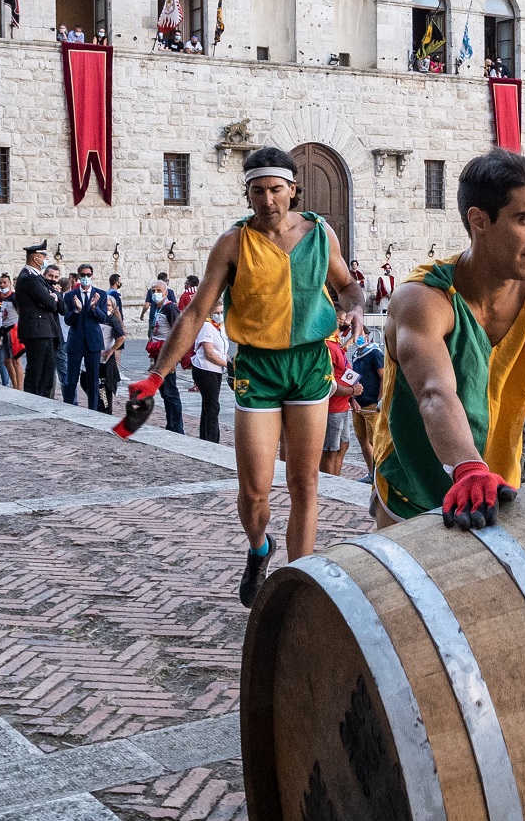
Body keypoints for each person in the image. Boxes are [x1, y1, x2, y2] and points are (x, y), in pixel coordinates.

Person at [116, 146, 364, 607]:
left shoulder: (320, 232)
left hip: (310, 364)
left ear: (293, 190)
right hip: (257, 367)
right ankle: (259, 547)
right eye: (257, 191)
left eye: (276, 189)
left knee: (305, 484)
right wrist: (156, 376)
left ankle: (297, 589)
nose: (267, 200)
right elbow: (196, 313)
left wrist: (355, 308)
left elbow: (347, 285)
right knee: (253, 492)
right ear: (247, 193)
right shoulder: (233, 243)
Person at [369, 147, 525, 527]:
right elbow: (434, 393)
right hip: (414, 487)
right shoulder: (423, 299)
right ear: (479, 221)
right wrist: (469, 469)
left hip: (498, 486)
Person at [14, 241, 62, 397]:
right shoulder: (29, 278)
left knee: (47, 369)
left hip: (44, 329)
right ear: (36, 259)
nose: (45, 259)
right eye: (43, 256)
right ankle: (32, 398)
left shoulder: (37, 277)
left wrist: (54, 297)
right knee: (36, 369)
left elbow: (55, 302)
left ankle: (42, 397)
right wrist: (52, 298)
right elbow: (50, 303)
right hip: (36, 329)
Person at [62, 264, 110, 410]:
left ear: (92, 276)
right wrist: (77, 310)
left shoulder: (100, 294)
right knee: (71, 379)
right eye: (83, 275)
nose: (86, 278)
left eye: (88, 275)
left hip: (93, 342)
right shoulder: (70, 295)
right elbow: (67, 320)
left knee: (93, 379)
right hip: (75, 341)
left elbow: (103, 318)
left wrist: (94, 308)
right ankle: (68, 408)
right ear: (78, 276)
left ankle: (93, 410)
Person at [140, 280, 185, 433]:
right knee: (165, 392)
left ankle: (177, 427)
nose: (155, 294)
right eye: (153, 291)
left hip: (166, 355)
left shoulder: (170, 308)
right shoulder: (158, 308)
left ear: (166, 293)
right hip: (158, 354)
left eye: (159, 291)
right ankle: (170, 424)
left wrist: (174, 359)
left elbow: (178, 333)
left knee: (171, 391)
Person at [349, 328, 385, 484]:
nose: (357, 338)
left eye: (360, 335)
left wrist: (379, 400)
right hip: (358, 404)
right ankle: (372, 473)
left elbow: (383, 376)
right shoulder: (355, 355)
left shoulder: (375, 353)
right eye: (354, 336)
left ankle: (381, 476)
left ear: (367, 336)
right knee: (362, 439)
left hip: (372, 404)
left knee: (375, 441)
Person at [321, 332, 358, 476]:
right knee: (330, 450)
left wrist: (351, 398)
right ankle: (328, 482)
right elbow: (327, 384)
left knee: (343, 445)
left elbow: (342, 373)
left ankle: (336, 478)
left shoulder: (336, 344)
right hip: (332, 408)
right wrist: (352, 390)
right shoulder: (328, 346)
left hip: (342, 406)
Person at [190, 309, 228, 441]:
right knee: (213, 406)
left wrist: (229, 360)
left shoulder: (221, 328)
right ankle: (212, 439)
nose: (220, 315)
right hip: (205, 369)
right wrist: (228, 365)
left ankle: (205, 437)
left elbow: (221, 351)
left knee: (208, 405)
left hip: (217, 370)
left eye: (222, 312)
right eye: (217, 312)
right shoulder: (207, 326)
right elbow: (209, 353)